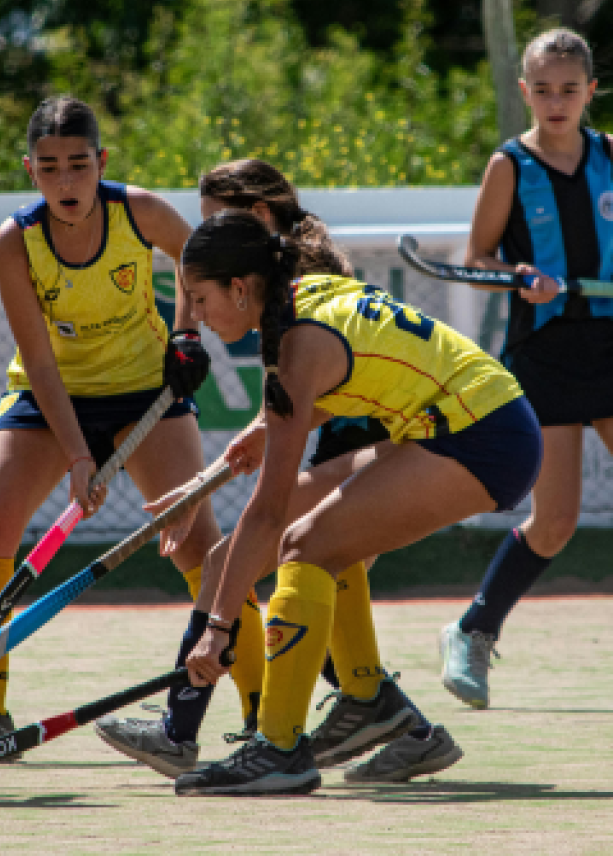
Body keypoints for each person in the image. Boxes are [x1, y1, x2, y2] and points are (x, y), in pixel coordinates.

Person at [95, 159, 461, 784]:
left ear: (259, 217)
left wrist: (259, 438)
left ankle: (190, 732)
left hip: (365, 428)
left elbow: (303, 391)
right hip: (350, 423)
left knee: (268, 561)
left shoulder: (285, 281)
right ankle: (388, 713)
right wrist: (241, 447)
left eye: (218, 222)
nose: (209, 238)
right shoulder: (287, 261)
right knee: (317, 568)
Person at [165, 209, 540, 796]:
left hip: (481, 436)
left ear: (240, 289)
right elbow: (354, 370)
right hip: (464, 418)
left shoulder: (294, 348)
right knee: (309, 535)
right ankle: (366, 699)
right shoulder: (305, 293)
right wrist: (230, 460)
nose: (198, 317)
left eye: (200, 298)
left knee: (302, 543)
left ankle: (280, 749)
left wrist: (218, 628)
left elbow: (265, 511)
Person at [0, 97, 266, 756]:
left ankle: (266, 715)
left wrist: (186, 330)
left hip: (148, 392)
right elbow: (37, 359)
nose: (66, 183)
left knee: (201, 544)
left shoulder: (137, 211)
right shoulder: (15, 241)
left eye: (79, 166)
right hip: (48, 397)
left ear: (101, 163)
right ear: (30, 169)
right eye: (51, 168)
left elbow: (199, 253)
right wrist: (78, 456)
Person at [439, 28, 613, 708]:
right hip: (545, 354)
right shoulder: (510, 165)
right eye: (542, 89)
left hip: (610, 346)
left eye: (569, 89)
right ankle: (474, 629)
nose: (556, 100)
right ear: (525, 93)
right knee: (556, 522)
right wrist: (516, 276)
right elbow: (476, 259)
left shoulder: (609, 156)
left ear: (591, 91)